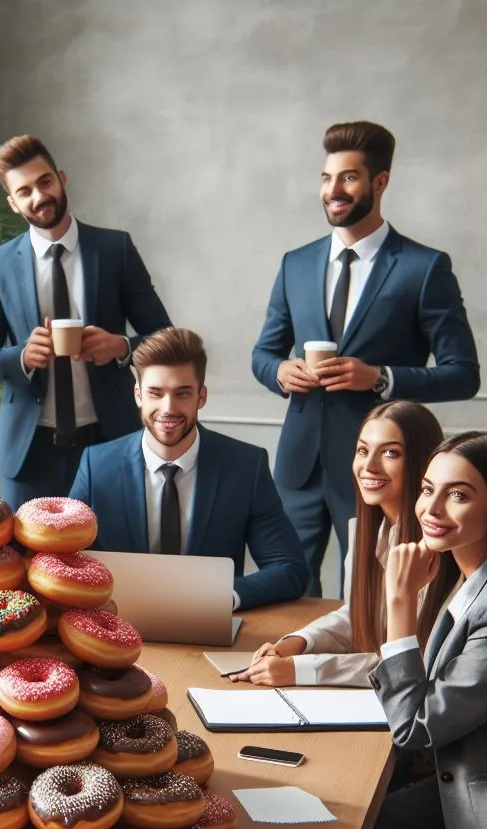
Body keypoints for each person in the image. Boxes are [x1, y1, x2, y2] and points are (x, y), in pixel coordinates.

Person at [252, 121, 479, 597]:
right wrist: (280, 371)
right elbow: (263, 354)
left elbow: (463, 375)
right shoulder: (296, 262)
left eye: (348, 177)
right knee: (286, 587)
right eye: (326, 178)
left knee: (368, 594)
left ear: (380, 182)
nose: (332, 190)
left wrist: (381, 378)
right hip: (298, 463)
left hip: (379, 468)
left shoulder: (424, 268)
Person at [343, 431, 487, 829]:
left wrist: (399, 603)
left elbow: (418, 726)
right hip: (460, 802)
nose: (431, 508)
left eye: (459, 494)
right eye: (429, 489)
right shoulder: (469, 582)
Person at [0, 134, 171, 508]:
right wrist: (21, 357)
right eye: (24, 191)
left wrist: (121, 347)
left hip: (108, 444)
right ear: (13, 203)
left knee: (112, 546)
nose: (39, 196)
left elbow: (165, 336)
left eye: (44, 182)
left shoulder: (115, 250)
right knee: (29, 549)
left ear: (61, 179)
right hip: (29, 456)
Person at [69, 327, 308, 611]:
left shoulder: (246, 467)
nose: (168, 408)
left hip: (208, 622)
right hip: (116, 620)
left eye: (182, 394)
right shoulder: (96, 465)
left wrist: (221, 597)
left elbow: (290, 568)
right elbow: (65, 558)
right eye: (156, 393)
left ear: (201, 397)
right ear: (138, 395)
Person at [232, 401, 443, 687]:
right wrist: (297, 642)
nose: (369, 466)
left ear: (424, 463)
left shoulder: (440, 551)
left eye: (390, 453)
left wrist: (304, 670)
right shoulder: (366, 533)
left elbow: (416, 662)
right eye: (363, 451)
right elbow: (355, 616)